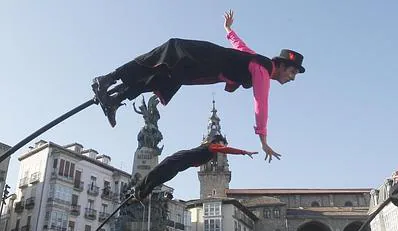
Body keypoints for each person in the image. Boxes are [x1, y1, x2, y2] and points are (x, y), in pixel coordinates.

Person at [92, 10, 304, 163]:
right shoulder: (264, 70)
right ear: (282, 65)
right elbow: (261, 104)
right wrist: (263, 140)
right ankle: (108, 79)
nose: (292, 77)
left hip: (202, 69)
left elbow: (241, 47)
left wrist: (229, 30)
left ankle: (115, 100)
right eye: (292, 71)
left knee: (163, 78)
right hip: (203, 58)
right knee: (164, 56)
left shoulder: (259, 63)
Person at [131, 134, 257, 201]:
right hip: (179, 158)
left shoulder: (210, 153)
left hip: (182, 165)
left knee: (162, 178)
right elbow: (227, 149)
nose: (222, 148)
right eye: (222, 144)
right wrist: (244, 152)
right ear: (217, 142)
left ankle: (141, 195)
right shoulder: (211, 147)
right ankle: (138, 187)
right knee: (156, 172)